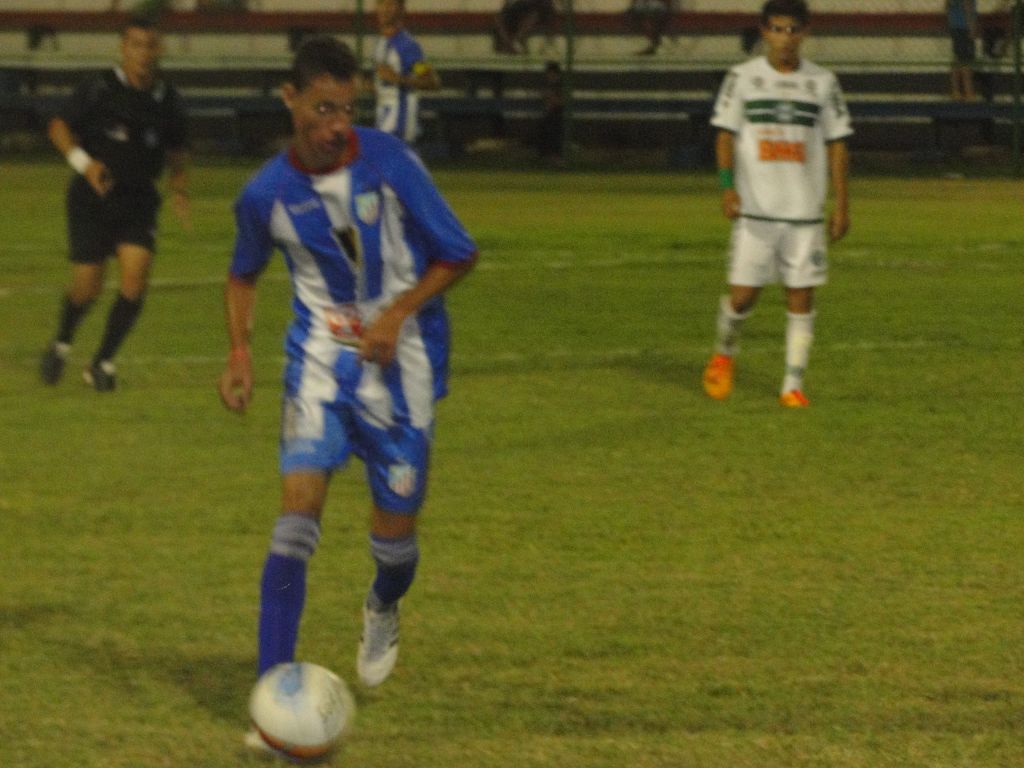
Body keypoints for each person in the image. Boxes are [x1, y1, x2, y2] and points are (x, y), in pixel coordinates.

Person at [215, 35, 477, 755]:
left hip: (405, 367)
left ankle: (384, 604)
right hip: (320, 364)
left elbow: (460, 252)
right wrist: (240, 350)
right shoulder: (264, 193)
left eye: (347, 109)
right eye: (323, 107)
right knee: (297, 514)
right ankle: (273, 703)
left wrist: (396, 312)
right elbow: (243, 275)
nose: (337, 125)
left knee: (393, 544)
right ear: (290, 100)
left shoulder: (390, 163)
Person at [701, 0, 851, 408]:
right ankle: (724, 353)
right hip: (755, 212)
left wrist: (841, 205)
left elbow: (837, 144)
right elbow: (724, 135)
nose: (785, 39)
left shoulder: (822, 82)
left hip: (804, 214)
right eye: (777, 30)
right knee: (742, 298)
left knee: (800, 296)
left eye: (792, 30)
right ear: (764, 32)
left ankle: (792, 383)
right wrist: (727, 186)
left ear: (804, 33)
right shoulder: (743, 78)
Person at [39, 15, 190, 392]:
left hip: (138, 200)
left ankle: (102, 361)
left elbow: (177, 148)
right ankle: (61, 342)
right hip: (92, 199)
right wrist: (84, 164)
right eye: (135, 45)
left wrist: (179, 189)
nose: (142, 53)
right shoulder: (99, 88)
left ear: (159, 50)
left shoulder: (167, 99)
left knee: (135, 278)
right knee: (87, 286)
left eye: (149, 46)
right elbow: (58, 126)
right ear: (123, 48)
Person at [372, 0, 440, 144]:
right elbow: (384, 84)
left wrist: (398, 79)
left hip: (400, 120)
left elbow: (431, 82)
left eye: (390, 4)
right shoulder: (381, 41)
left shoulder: (407, 46)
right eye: (381, 3)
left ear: (401, 9)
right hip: (383, 115)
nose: (385, 9)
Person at [494, 0, 560, 55]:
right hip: (520, 13)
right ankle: (512, 43)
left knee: (532, 13)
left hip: (533, 11)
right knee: (501, 18)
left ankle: (514, 42)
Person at [947, 0, 978, 100]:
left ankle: (956, 91)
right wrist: (971, 25)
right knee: (966, 59)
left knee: (957, 58)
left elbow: (948, 6)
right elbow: (967, 4)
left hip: (955, 25)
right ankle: (968, 92)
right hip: (964, 26)